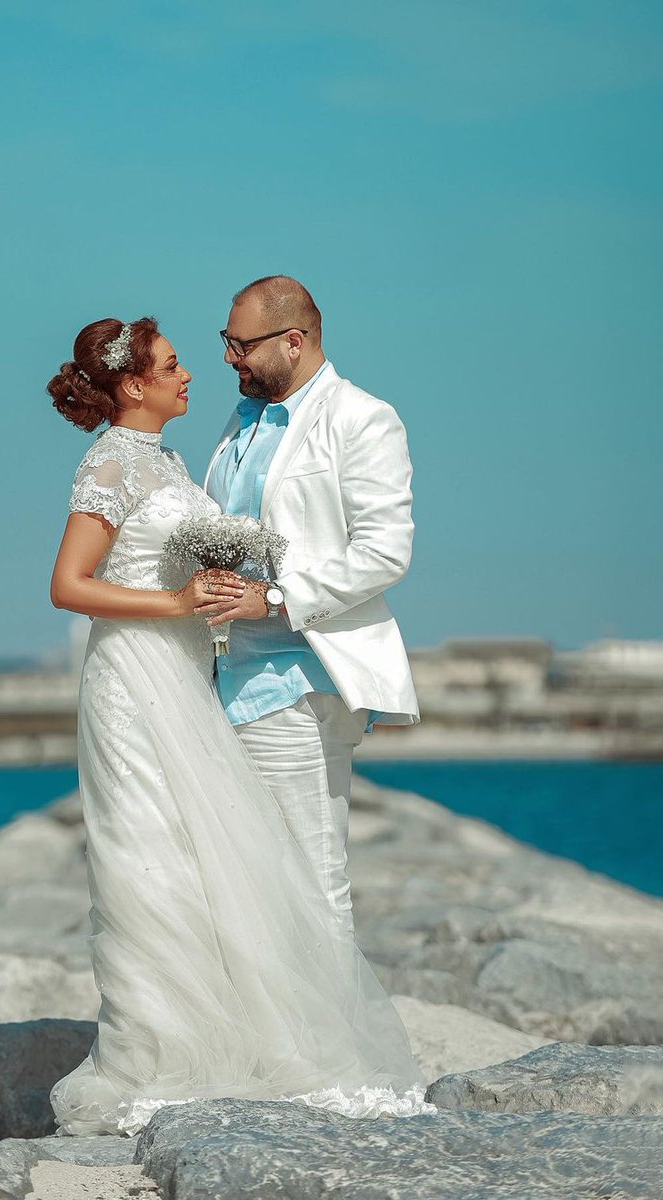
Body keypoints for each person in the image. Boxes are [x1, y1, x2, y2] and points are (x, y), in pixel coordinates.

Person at [45, 314, 434, 1137]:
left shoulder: (168, 458)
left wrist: (247, 575)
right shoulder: (111, 461)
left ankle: (225, 1036)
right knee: (149, 860)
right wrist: (176, 603)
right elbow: (68, 585)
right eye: (173, 365)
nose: (193, 372)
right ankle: (153, 1052)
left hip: (188, 677)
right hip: (135, 680)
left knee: (201, 863)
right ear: (133, 386)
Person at [205, 276, 419, 946]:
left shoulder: (362, 418)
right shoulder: (242, 421)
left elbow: (385, 552)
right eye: (226, 341)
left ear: (293, 341)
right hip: (222, 676)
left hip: (300, 674)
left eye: (241, 345)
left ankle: (332, 1019)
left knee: (309, 875)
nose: (229, 357)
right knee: (247, 879)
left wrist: (273, 598)